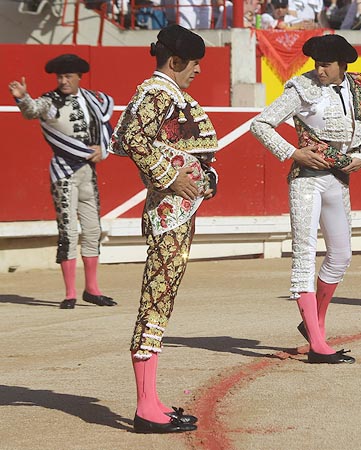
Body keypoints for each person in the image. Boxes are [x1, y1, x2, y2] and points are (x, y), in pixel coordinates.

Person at [110, 24, 219, 433]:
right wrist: (168, 177)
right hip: (167, 212)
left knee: (162, 299)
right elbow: (132, 139)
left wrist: (202, 179)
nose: (198, 72)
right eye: (194, 65)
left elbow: (134, 138)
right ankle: (144, 408)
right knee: (156, 300)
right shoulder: (157, 93)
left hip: (178, 211)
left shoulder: (166, 94)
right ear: (175, 61)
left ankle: (151, 400)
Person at [250, 35, 361, 364]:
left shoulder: (359, 88)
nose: (319, 70)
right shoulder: (301, 88)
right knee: (304, 255)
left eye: (325, 65)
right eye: (316, 64)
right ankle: (319, 344)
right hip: (307, 181)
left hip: (339, 178)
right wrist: (293, 152)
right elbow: (261, 124)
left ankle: (315, 328)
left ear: (342, 65)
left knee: (340, 255)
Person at [8, 54, 117, 310]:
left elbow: (107, 128)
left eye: (68, 76)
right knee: (68, 232)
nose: (63, 81)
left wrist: (103, 149)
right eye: (60, 77)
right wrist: (23, 97)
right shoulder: (50, 101)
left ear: (79, 77)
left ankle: (92, 289)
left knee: (92, 230)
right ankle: (69, 293)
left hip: (88, 172)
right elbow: (32, 111)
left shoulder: (95, 99)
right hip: (63, 173)